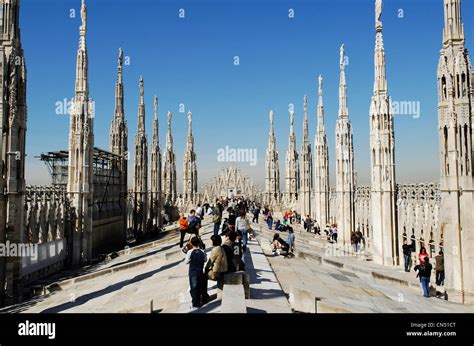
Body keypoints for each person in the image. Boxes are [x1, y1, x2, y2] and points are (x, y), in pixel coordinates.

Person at [185, 237, 207, 308]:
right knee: (200, 286)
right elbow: (205, 260)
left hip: (192, 273)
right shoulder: (202, 251)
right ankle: (201, 299)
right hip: (200, 272)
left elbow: (186, 262)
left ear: (191, 243)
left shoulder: (189, 252)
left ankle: (195, 303)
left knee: (194, 288)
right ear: (199, 243)